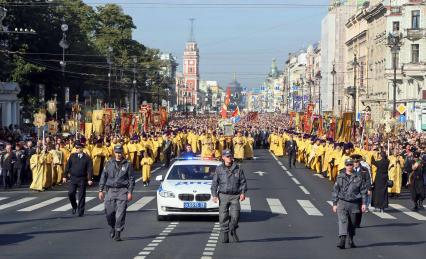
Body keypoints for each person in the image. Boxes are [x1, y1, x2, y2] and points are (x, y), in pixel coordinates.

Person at [98, 144, 135, 241]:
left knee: (120, 213)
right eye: (117, 152)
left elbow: (131, 179)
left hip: (122, 190)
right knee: (109, 212)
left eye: (120, 152)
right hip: (110, 190)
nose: (118, 154)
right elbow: (103, 177)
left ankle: (118, 232)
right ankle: (111, 226)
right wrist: (100, 190)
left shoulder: (127, 164)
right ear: (114, 153)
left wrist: (130, 192)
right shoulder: (108, 163)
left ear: (123, 153)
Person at [211, 149, 248, 243]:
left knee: (236, 215)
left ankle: (233, 228)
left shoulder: (238, 168)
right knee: (223, 216)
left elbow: (243, 182)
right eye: (227, 156)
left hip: (235, 195)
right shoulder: (219, 169)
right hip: (223, 195)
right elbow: (215, 183)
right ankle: (225, 234)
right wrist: (214, 195)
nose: (229, 158)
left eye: (230, 156)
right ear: (223, 157)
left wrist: (243, 193)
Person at [332, 158, 367, 249]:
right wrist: (335, 204)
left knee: (352, 223)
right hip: (342, 202)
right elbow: (335, 190)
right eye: (347, 165)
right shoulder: (340, 177)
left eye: (351, 164)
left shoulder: (358, 177)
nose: (349, 166)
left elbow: (363, 191)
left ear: (353, 165)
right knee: (343, 221)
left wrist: (364, 204)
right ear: (345, 166)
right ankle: (342, 240)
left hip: (354, 204)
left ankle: (350, 239)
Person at [63, 141, 93, 217]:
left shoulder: (87, 158)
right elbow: (67, 166)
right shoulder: (72, 156)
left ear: (82, 148)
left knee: (81, 195)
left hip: (82, 178)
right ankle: (74, 206)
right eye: (76, 148)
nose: (77, 149)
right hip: (73, 178)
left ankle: (80, 211)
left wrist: (89, 179)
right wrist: (65, 176)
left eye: (78, 148)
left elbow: (89, 169)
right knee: (71, 193)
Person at [351, 154, 371, 228]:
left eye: (357, 162)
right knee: (352, 207)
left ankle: (357, 223)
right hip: (352, 191)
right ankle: (352, 222)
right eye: (354, 162)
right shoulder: (350, 169)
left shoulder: (364, 170)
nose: (355, 164)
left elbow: (368, 180)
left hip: (361, 191)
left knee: (359, 208)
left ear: (359, 162)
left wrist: (369, 189)